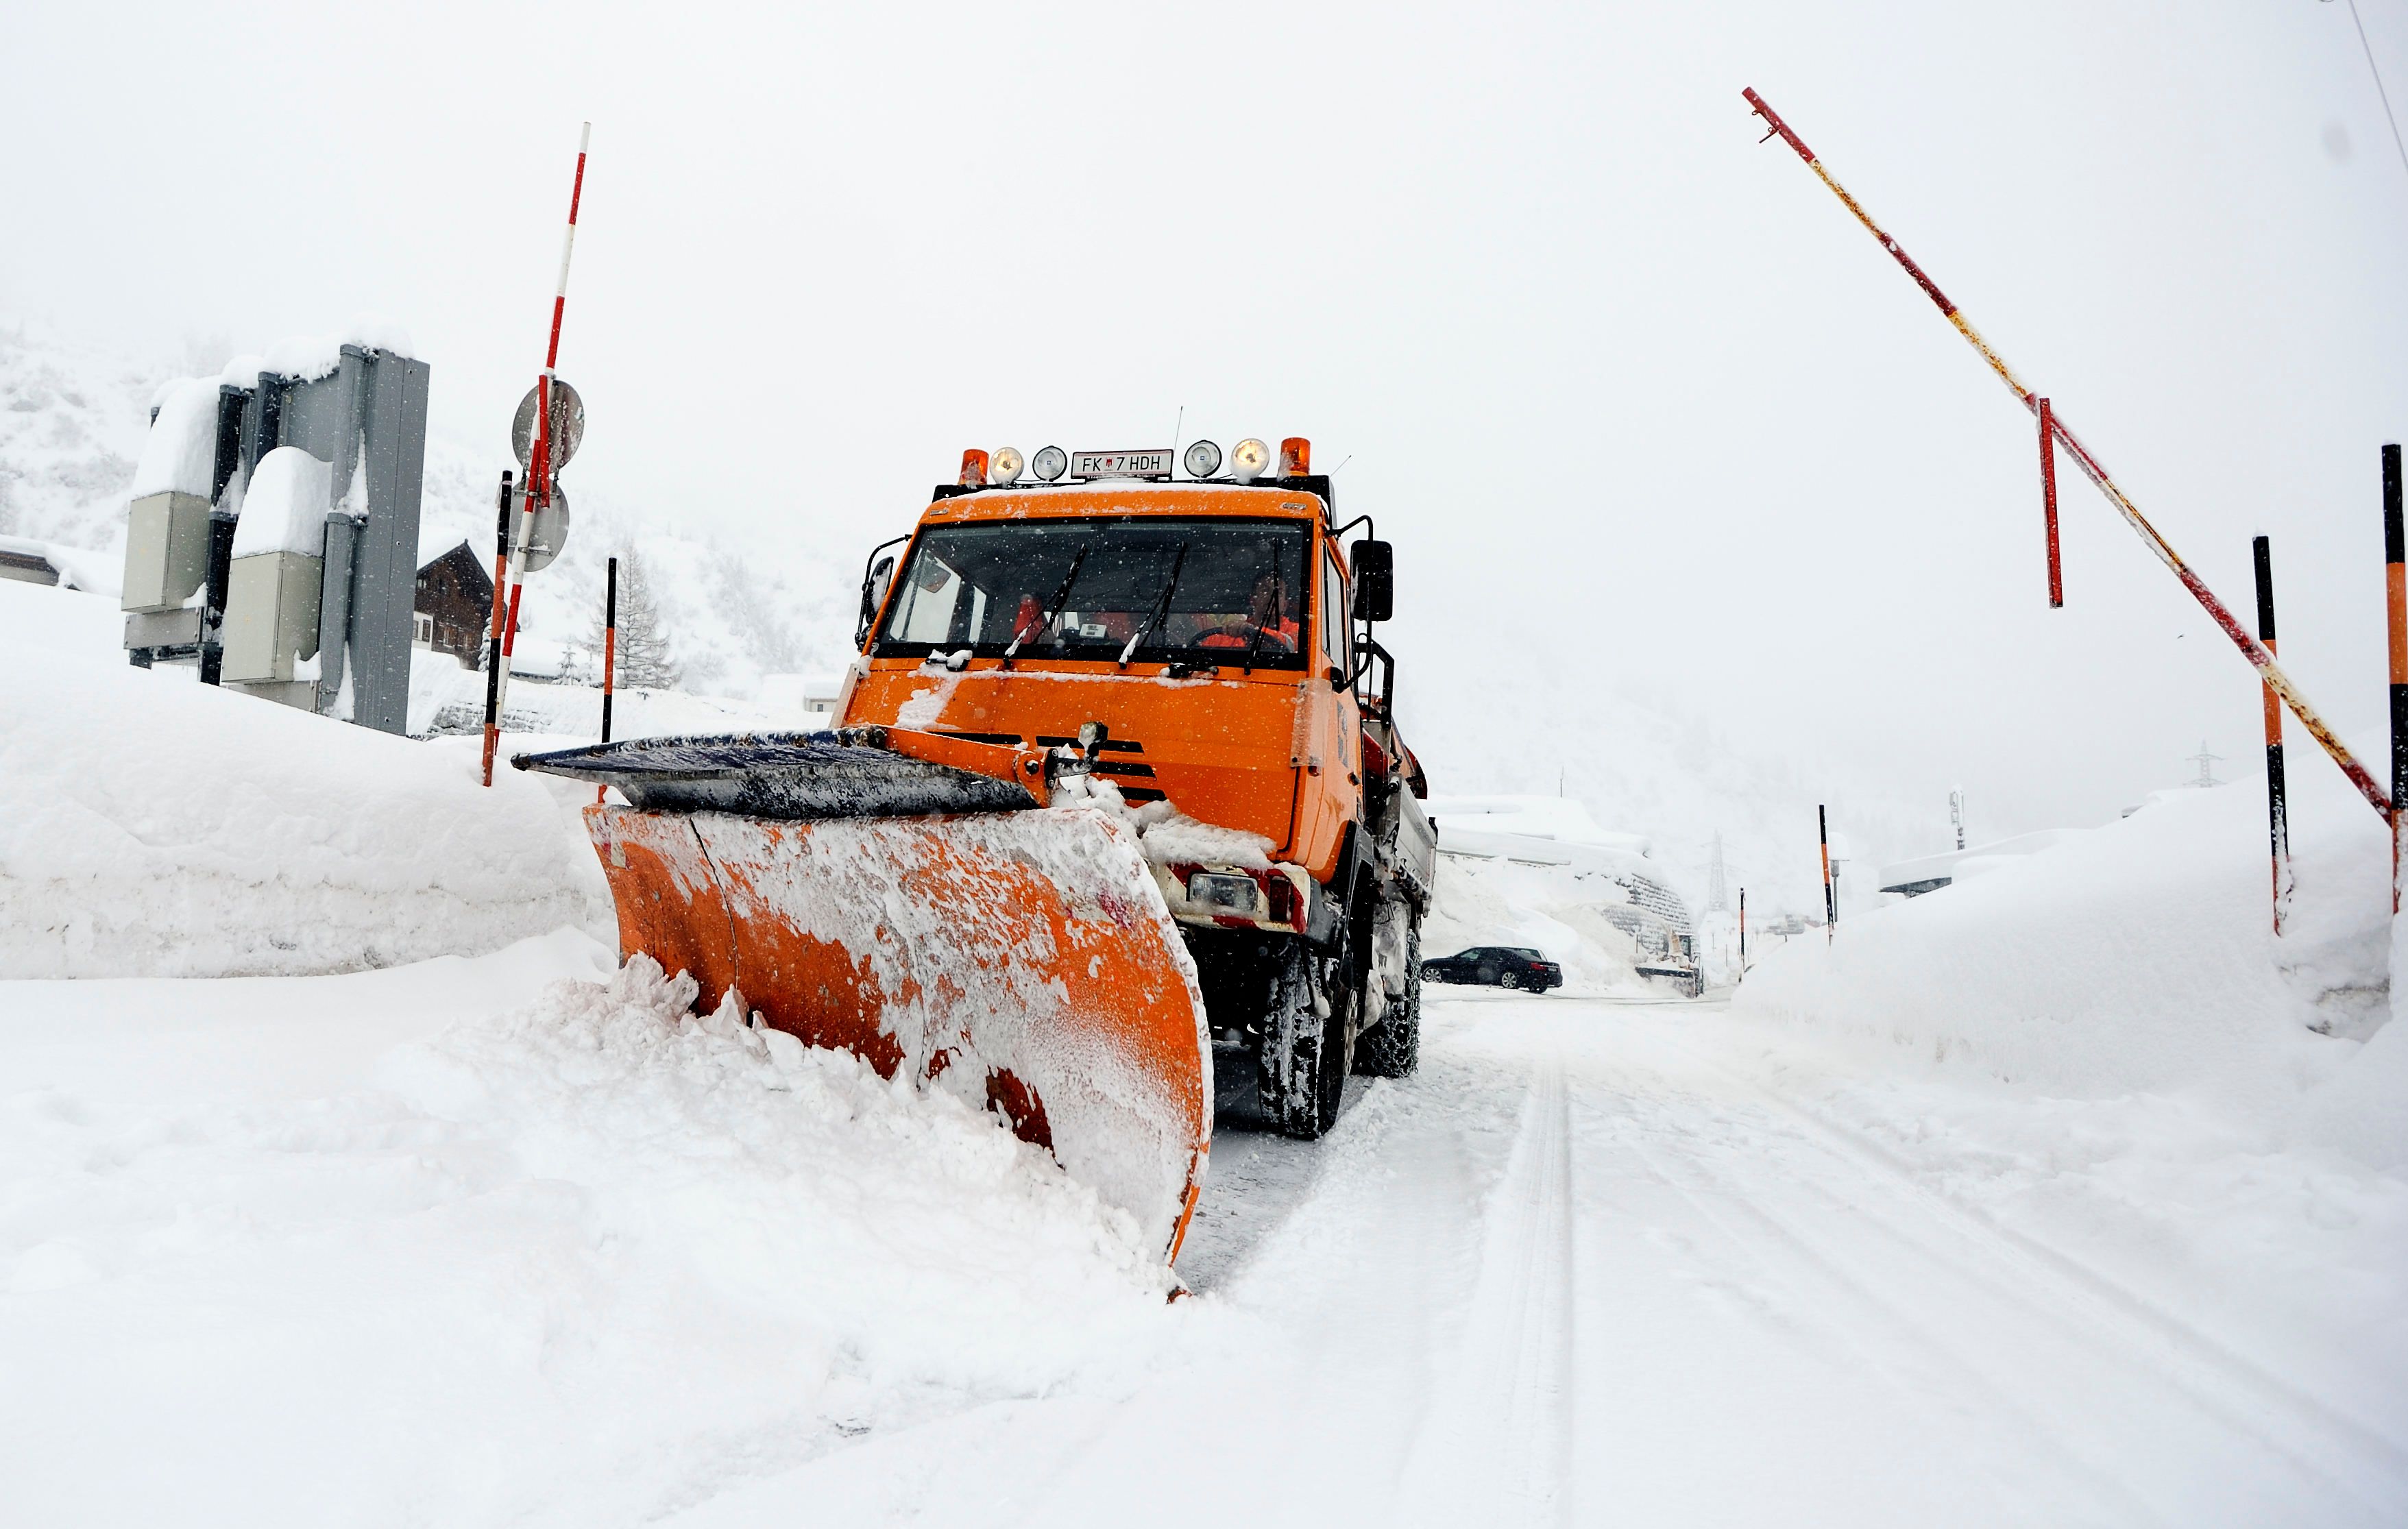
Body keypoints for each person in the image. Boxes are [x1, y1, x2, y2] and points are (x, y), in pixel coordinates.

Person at [1196, 571, 1298, 652]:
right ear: (1253, 600)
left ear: (1285, 605)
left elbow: (1292, 645)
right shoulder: (1222, 637)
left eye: (1278, 592)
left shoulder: (1298, 632)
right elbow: (1200, 665)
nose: (1272, 597)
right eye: (1265, 590)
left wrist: (1254, 632)